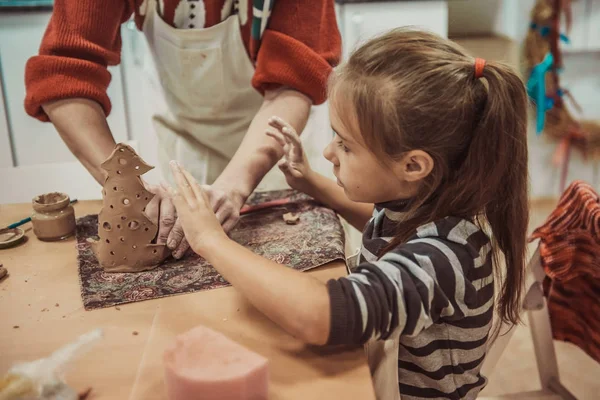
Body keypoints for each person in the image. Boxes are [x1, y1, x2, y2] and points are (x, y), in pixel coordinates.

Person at [165, 28, 529, 399]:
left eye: (346, 145)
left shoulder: (446, 257)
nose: (328, 152)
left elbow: (320, 316)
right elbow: (381, 225)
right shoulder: (424, 205)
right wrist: (313, 183)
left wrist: (210, 240)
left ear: (413, 166)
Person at [24, 0, 341, 259]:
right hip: (180, 150)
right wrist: (125, 185)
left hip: (272, 156)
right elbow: (64, 77)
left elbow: (293, 83)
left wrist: (234, 185)